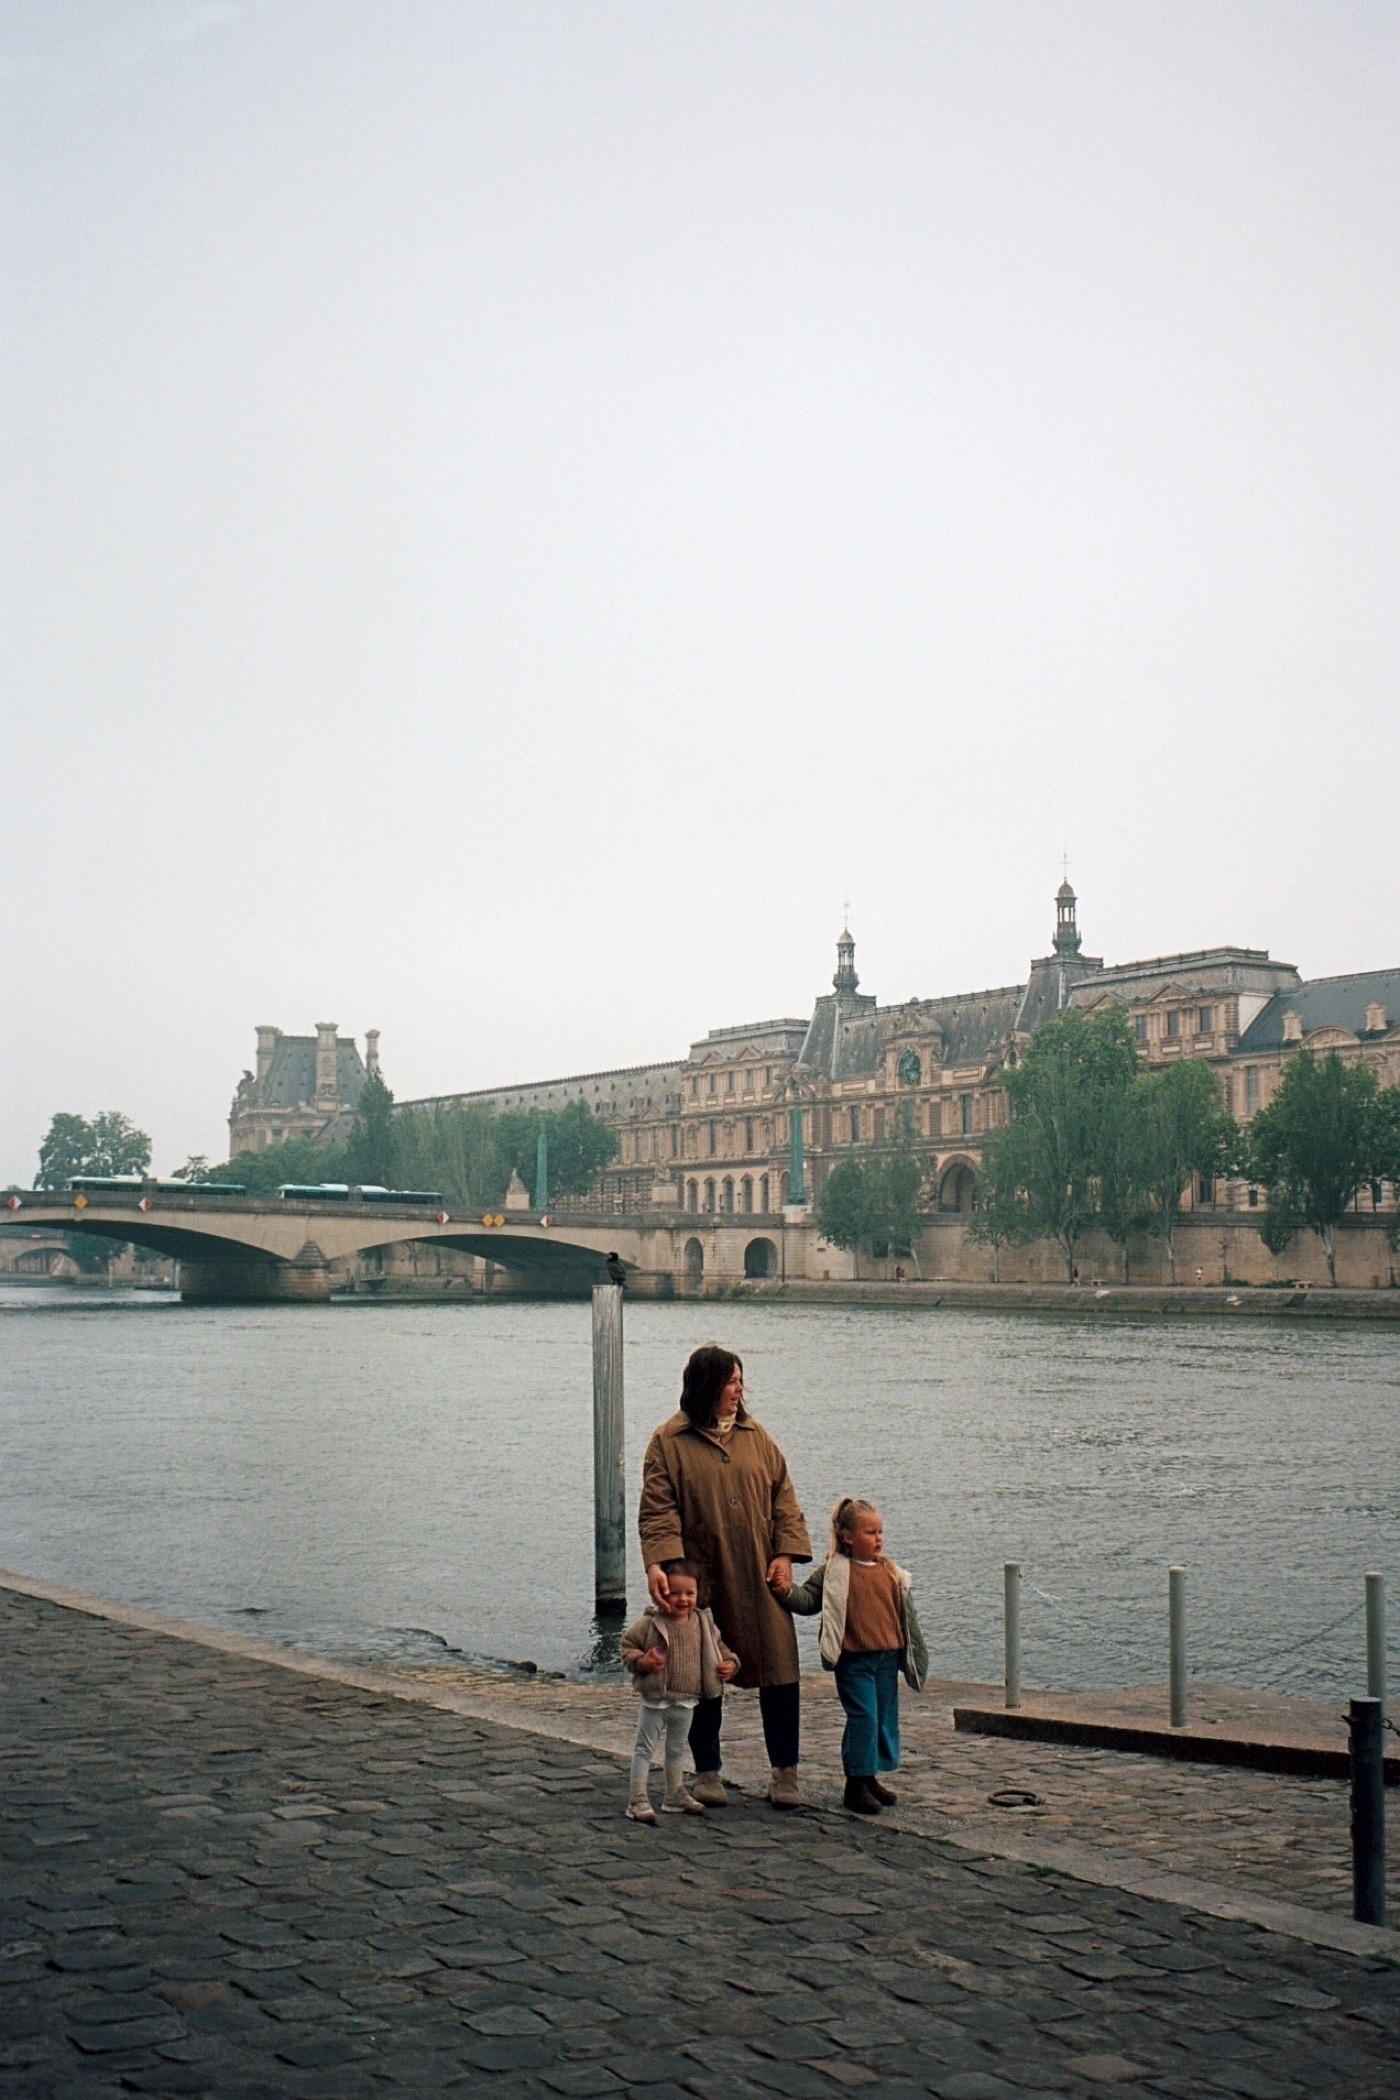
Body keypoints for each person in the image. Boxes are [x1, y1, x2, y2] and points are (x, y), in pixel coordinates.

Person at [639, 1345, 812, 1809]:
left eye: (741, 1381)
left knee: (779, 1671)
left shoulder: (757, 1437)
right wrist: (661, 1564)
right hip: (702, 1576)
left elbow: (784, 1501)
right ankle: (708, 1771)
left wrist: (786, 1556)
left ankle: (785, 1772)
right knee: (703, 1673)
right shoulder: (668, 1441)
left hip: (760, 1576)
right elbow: (658, 1512)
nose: (740, 1390)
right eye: (732, 1381)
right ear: (707, 1386)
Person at [775, 1496, 927, 1815]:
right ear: (848, 1537)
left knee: (883, 1719)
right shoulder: (834, 1571)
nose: (878, 1539)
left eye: (880, 1532)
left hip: (887, 1660)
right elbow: (808, 1601)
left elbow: (906, 1619)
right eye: (870, 1533)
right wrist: (786, 1592)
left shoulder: (892, 1572)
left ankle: (868, 1776)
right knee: (864, 1718)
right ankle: (854, 1785)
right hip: (854, 1661)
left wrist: (913, 1656)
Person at [618, 1558, 738, 1823]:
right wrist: (642, 1662)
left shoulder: (703, 1622)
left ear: (699, 1593)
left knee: (676, 1749)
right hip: (655, 1699)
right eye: (675, 1593)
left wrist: (730, 1664)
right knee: (644, 1749)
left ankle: (674, 1794)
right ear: (661, 1593)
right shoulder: (651, 1623)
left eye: (689, 1593)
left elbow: (722, 1650)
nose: (683, 1599)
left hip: (686, 1700)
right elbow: (627, 1645)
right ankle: (637, 1798)